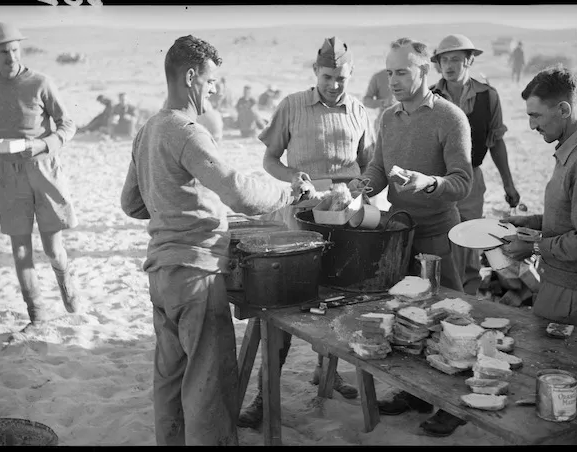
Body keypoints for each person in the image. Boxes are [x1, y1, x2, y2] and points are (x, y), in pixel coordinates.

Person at [119, 35, 315, 446]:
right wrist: (288, 193)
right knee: (209, 389)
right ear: (191, 77)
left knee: (170, 382)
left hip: (161, 275)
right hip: (196, 276)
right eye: (210, 82)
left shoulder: (148, 130)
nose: (215, 90)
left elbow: (133, 205)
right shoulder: (187, 132)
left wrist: (174, 200)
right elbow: (239, 192)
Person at [237, 36, 376, 430]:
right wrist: (291, 177)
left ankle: (326, 374)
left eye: (342, 78)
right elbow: (269, 159)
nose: (335, 84)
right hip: (301, 219)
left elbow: (371, 168)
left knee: (340, 299)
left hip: (345, 218)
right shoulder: (293, 105)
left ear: (351, 75)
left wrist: (359, 187)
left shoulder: (359, 111)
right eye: (328, 76)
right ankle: (264, 399)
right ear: (315, 72)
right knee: (284, 305)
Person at [346, 37, 473, 438]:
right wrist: (365, 182)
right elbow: (379, 168)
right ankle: (415, 395)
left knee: (448, 321)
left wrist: (428, 183)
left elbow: (462, 182)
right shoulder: (388, 118)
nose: (394, 80)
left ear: (424, 72)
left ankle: (454, 406)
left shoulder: (451, 118)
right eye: (389, 71)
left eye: (402, 71)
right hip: (399, 236)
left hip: (439, 235)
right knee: (406, 319)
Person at [0, 22, 80, 335]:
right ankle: (36, 314)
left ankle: (68, 288)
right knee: (21, 250)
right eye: (3, 51)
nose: (11, 56)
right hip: (8, 175)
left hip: (45, 171)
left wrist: (42, 144)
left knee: (52, 249)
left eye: (15, 49)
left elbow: (67, 125)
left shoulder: (40, 82)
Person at [501, 65, 577, 337]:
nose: (531, 125)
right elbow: (576, 215)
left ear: (564, 110)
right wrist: (531, 222)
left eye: (536, 116)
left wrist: (533, 246)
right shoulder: (573, 152)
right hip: (567, 288)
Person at [430, 34, 520, 296]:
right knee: (442, 239)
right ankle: (444, 293)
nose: (449, 66)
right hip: (439, 180)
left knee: (469, 237)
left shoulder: (488, 97)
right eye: (444, 60)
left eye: (456, 59)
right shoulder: (431, 98)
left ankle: (467, 296)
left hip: (472, 178)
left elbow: (496, 141)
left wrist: (508, 183)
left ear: (469, 60)